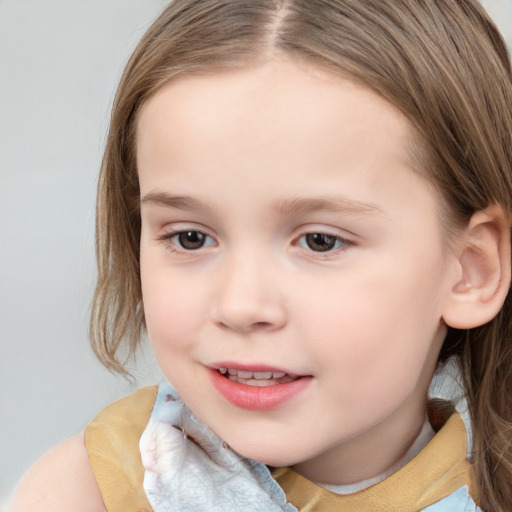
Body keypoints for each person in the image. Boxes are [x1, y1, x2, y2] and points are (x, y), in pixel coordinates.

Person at [8, 1, 512, 511]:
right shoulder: (90, 490)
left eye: (321, 241)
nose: (241, 305)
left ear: (472, 270)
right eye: (190, 237)